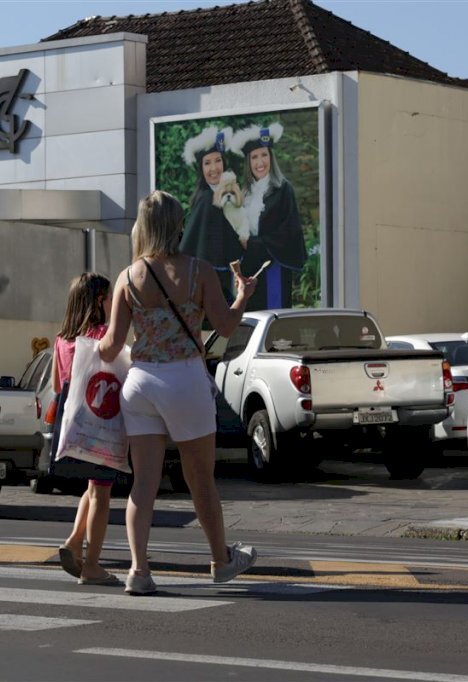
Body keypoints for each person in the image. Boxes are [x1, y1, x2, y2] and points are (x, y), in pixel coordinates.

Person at [98, 190, 259, 596]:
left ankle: (138, 570)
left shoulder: (128, 276)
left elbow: (112, 345)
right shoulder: (199, 271)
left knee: (143, 483)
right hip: (185, 380)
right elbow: (224, 327)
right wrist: (242, 296)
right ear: (177, 225)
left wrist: (87, 347)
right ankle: (221, 561)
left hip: (140, 383)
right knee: (200, 479)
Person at [53, 273, 122, 586]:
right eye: (109, 298)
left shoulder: (62, 339)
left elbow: (58, 386)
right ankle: (92, 564)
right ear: (99, 301)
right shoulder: (103, 335)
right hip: (101, 421)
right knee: (102, 494)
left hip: (76, 423)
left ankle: (73, 541)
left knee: (94, 489)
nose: (112, 303)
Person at [229, 123, 307, 311]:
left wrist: (252, 244)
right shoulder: (243, 193)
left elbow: (289, 231)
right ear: (248, 161)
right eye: (254, 157)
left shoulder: (283, 189)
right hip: (248, 270)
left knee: (274, 325)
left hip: (274, 268)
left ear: (271, 157)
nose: (260, 162)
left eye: (264, 155)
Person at [178, 126, 245, 303]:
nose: (214, 168)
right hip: (213, 284)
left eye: (218, 161)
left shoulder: (227, 194)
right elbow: (208, 249)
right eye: (207, 163)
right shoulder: (207, 200)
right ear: (201, 168)